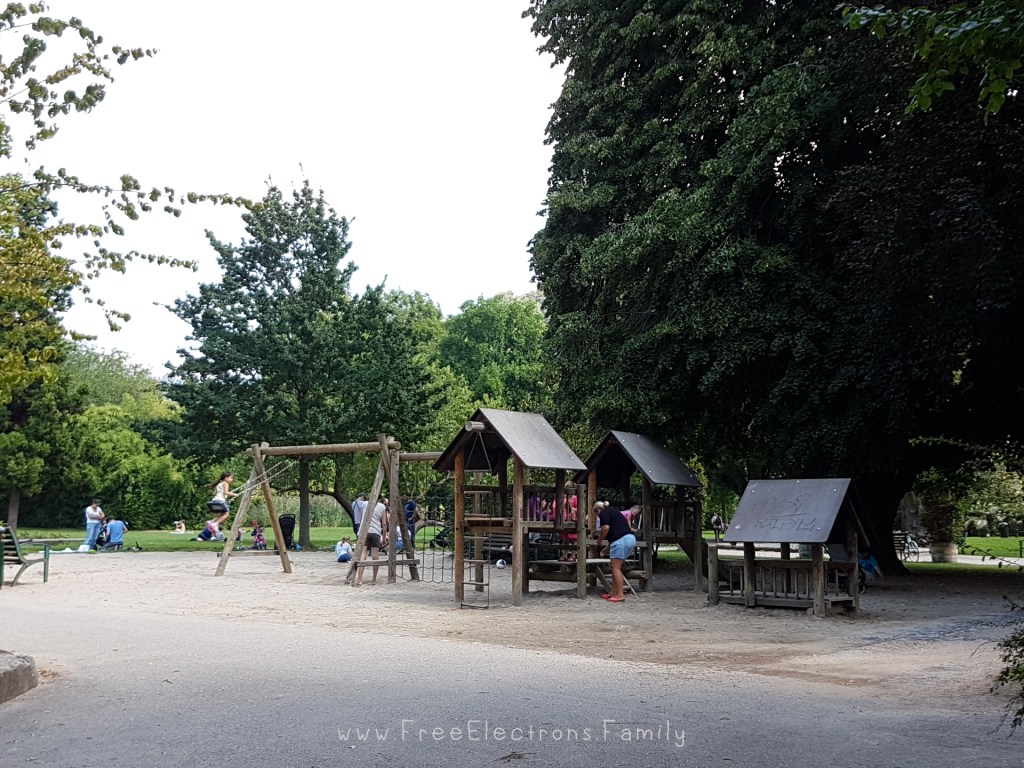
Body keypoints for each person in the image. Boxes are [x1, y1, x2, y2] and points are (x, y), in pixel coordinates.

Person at [595, 500, 636, 603]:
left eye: (596, 513)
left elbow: (605, 528)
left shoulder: (603, 513)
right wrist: (606, 550)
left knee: (616, 568)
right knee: (614, 567)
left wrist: (600, 539)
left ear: (597, 510)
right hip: (630, 539)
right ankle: (613, 592)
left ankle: (620, 594)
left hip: (621, 541)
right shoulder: (613, 512)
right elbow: (615, 535)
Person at [355, 497, 388, 586]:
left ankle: (359, 579)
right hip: (375, 532)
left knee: (363, 555)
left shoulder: (365, 504)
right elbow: (384, 523)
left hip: (364, 531)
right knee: (375, 556)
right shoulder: (382, 507)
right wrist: (384, 537)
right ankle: (374, 579)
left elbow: (361, 518)